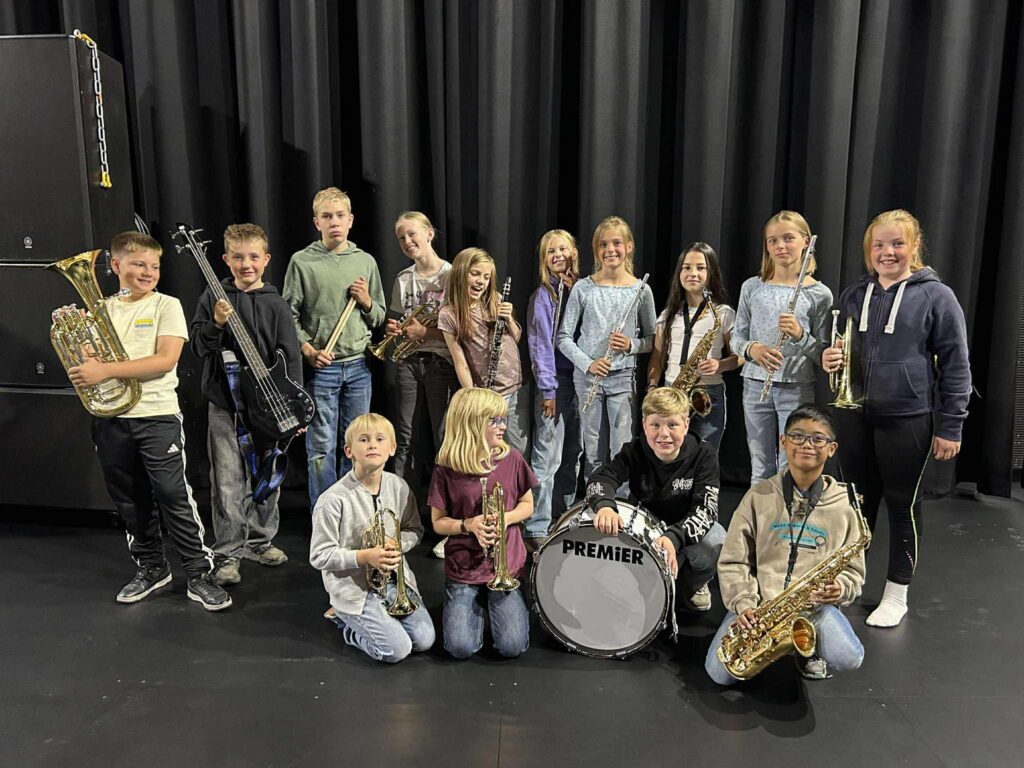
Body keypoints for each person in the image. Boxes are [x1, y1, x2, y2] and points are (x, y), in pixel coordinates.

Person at [822, 209, 971, 628]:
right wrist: (828, 356)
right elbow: (837, 346)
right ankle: (850, 584)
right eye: (879, 245)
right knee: (856, 505)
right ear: (869, 250)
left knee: (903, 507)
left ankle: (896, 593)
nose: (887, 252)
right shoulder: (854, 294)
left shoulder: (936, 296)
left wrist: (951, 425)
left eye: (897, 244)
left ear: (914, 246)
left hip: (907, 419)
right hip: (854, 417)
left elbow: (957, 365)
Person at [67, 231, 229, 610]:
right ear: (115, 265)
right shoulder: (100, 310)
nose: (148, 272)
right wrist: (82, 353)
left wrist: (105, 370)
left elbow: (164, 361)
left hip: (156, 416)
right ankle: (153, 567)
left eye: (154, 266)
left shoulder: (166, 305)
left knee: (173, 495)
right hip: (110, 418)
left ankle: (198, 573)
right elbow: (88, 362)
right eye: (138, 264)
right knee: (129, 500)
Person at [706, 404, 867, 683]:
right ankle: (780, 647)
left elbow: (853, 571)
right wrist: (744, 604)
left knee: (849, 656)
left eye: (818, 438)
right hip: (760, 609)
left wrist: (841, 588)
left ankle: (808, 648)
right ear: (784, 442)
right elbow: (733, 560)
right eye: (797, 436)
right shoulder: (758, 496)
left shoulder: (845, 506)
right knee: (719, 674)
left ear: (831, 449)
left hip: (813, 609)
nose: (807, 444)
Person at [189, 223, 301, 586]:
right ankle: (228, 552)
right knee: (227, 480)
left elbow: (291, 357)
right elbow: (198, 346)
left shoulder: (276, 303)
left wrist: (295, 406)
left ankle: (259, 540)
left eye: (253, 257)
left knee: (269, 474)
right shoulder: (213, 296)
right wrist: (216, 324)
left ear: (266, 259)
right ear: (225, 259)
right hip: (226, 403)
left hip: (270, 404)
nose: (246, 264)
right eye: (238, 257)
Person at [282, 187, 386, 508]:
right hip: (322, 370)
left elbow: (379, 316)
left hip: (359, 368)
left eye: (340, 215)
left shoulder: (364, 261)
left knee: (357, 444)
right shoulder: (302, 261)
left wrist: (366, 301)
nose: (335, 222)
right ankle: (325, 514)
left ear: (351, 220)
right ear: (317, 222)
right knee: (322, 447)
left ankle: (352, 511)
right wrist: (308, 350)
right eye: (327, 216)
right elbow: (288, 315)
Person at [585, 387, 725, 612]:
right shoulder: (634, 450)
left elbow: (706, 510)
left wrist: (673, 537)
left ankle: (693, 585)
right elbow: (601, 479)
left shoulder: (704, 455)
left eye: (672, 425)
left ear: (686, 424)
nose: (664, 434)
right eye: (655, 425)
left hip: (683, 528)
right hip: (645, 527)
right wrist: (605, 507)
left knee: (716, 541)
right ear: (644, 425)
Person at [310, 413, 435, 663]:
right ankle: (346, 623)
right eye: (364, 440)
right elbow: (319, 555)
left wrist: (397, 545)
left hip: (394, 581)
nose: (372, 445)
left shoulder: (399, 487)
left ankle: (370, 619)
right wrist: (364, 556)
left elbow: (414, 530)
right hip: (355, 590)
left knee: (424, 640)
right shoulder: (332, 500)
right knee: (397, 650)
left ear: (392, 448)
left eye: (380, 439)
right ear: (349, 451)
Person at [428, 388, 536, 659]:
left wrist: (505, 518)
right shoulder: (446, 468)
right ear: (472, 423)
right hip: (464, 566)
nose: (503, 427)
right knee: (460, 648)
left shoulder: (512, 459)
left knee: (512, 646)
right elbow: (438, 523)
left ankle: (496, 602)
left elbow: (527, 504)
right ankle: (470, 600)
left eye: (503, 419)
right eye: (494, 421)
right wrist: (469, 525)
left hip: (506, 565)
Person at [731, 210, 833, 483]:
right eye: (773, 240)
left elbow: (822, 354)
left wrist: (800, 334)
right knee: (760, 463)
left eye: (788, 238)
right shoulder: (752, 287)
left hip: (796, 385)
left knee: (793, 462)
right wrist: (754, 350)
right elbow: (736, 338)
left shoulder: (819, 294)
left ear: (806, 241)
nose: (780, 246)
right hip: (755, 383)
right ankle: (761, 510)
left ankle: (789, 509)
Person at [557, 215, 656, 481]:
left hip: (622, 376)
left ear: (629, 246)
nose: (610, 250)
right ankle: (596, 499)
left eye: (616, 243)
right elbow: (563, 337)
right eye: (603, 244)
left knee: (621, 448)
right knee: (593, 449)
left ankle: (620, 501)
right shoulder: (583, 288)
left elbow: (653, 340)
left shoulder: (641, 290)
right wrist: (588, 363)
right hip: (588, 378)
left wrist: (631, 345)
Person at [386, 211, 458, 491]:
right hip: (408, 362)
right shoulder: (403, 279)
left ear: (429, 234)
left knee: (444, 437)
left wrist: (425, 333)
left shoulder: (451, 276)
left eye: (412, 234)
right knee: (405, 438)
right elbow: (399, 319)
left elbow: (463, 330)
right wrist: (394, 330)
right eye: (401, 238)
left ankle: (443, 503)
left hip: (441, 362)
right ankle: (404, 505)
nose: (407, 241)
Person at [648, 242, 739, 450]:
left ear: (711, 273)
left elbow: (739, 357)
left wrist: (720, 365)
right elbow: (657, 357)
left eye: (701, 268)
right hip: (673, 390)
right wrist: (652, 387)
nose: (693, 273)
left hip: (708, 392)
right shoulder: (668, 315)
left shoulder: (723, 313)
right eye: (687, 267)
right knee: (671, 455)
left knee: (705, 456)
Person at [437, 248, 527, 454]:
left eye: (486, 277)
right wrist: (473, 397)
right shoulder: (449, 314)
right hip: (488, 392)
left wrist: (509, 319)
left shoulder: (495, 299)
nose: (481, 281)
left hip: (516, 387)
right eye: (475, 274)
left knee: (516, 449)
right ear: (461, 273)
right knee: (488, 448)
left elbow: (517, 337)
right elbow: (460, 362)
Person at [525, 229, 583, 547]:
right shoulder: (544, 296)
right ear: (543, 260)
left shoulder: (584, 289)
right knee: (547, 456)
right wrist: (548, 389)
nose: (558, 255)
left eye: (563, 249)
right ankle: (537, 526)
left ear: (574, 252)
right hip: (556, 384)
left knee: (573, 453)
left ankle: (564, 516)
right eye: (551, 251)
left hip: (582, 382)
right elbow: (540, 346)